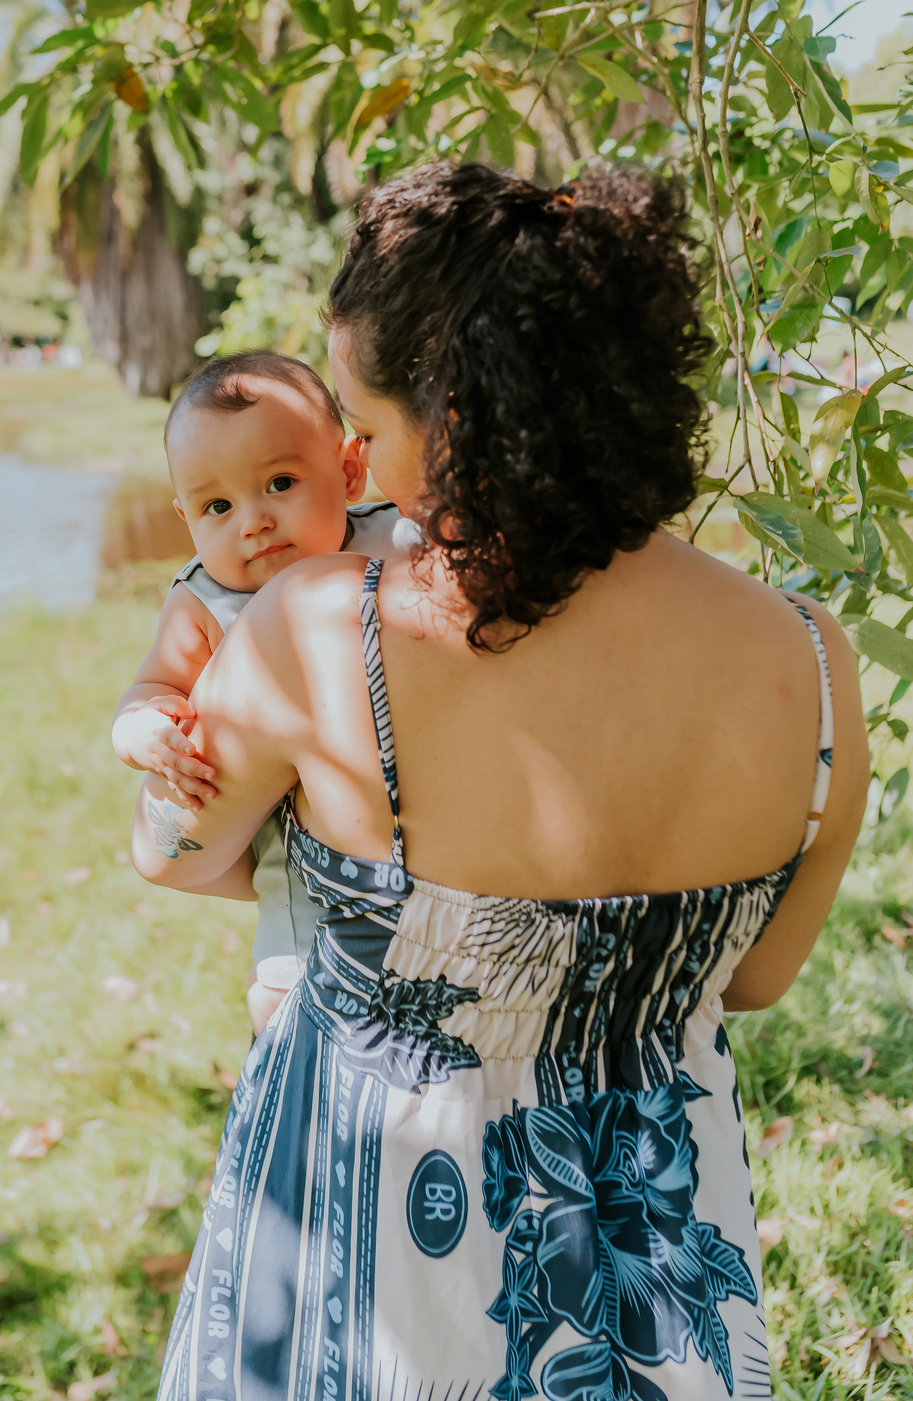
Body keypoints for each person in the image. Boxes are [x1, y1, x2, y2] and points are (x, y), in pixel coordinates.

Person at [131, 163, 868, 1398]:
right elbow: (754, 979)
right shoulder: (813, 660)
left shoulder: (327, 629)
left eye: (364, 419)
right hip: (650, 1285)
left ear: (466, 416)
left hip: (368, 1266)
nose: (350, 458)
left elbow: (174, 847)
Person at [113, 351, 401, 1034]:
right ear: (186, 517)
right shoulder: (205, 601)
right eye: (218, 505)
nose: (253, 520)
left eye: (279, 482)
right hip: (299, 854)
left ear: (350, 471)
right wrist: (143, 729)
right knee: (287, 986)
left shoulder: (393, 537)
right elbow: (153, 684)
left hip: (428, 823)